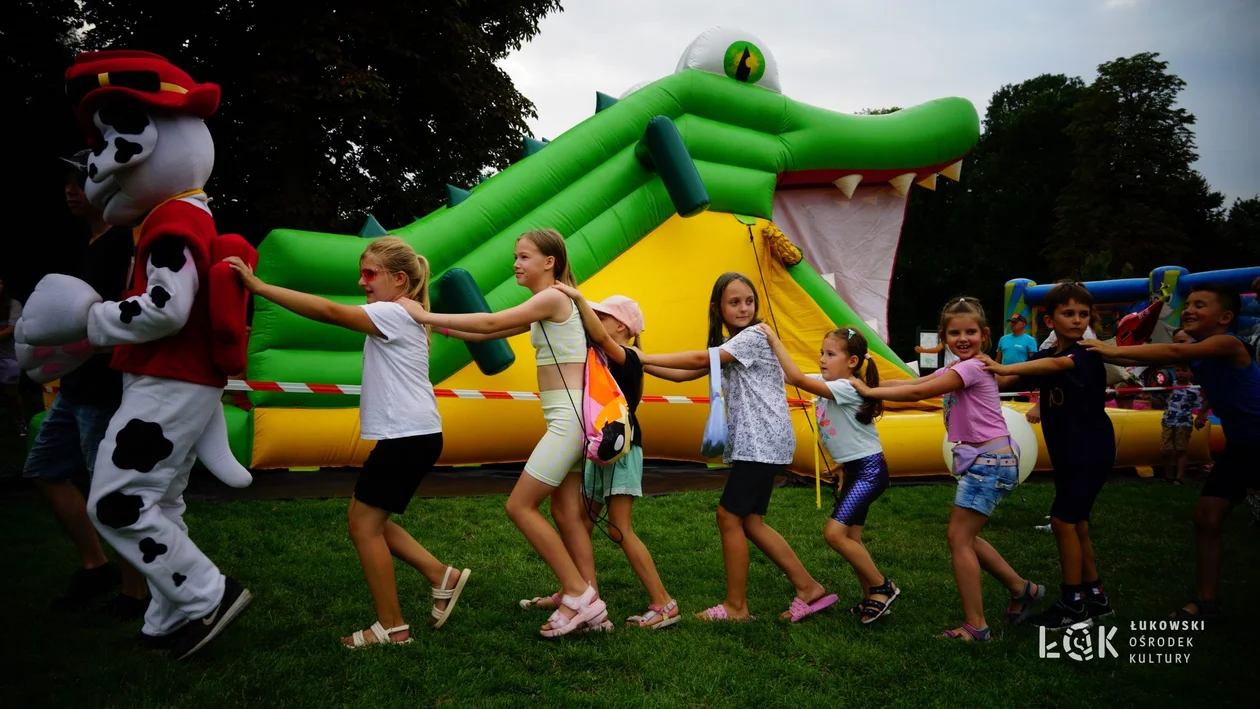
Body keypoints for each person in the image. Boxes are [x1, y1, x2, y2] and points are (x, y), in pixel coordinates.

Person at [227, 236, 470, 646]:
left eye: (369, 273)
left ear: (398, 278)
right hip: (412, 435)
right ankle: (439, 575)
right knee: (365, 519)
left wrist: (260, 288)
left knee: (363, 526)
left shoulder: (392, 313)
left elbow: (327, 310)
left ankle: (392, 627)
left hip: (407, 437)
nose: (361, 281)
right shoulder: (400, 311)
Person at [401, 229, 607, 638]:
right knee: (566, 513)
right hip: (567, 420)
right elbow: (491, 332)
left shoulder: (553, 296)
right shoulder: (550, 301)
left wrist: (424, 315)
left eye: (524, 256)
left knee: (519, 506)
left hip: (568, 421)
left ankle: (579, 595)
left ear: (549, 262)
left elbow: (492, 319)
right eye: (516, 256)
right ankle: (591, 602)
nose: (516, 263)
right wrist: (440, 329)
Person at [634, 272, 838, 623]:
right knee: (751, 522)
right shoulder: (734, 343)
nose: (744, 308)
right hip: (762, 440)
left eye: (749, 301)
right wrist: (642, 362)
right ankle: (808, 587)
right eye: (734, 302)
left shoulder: (754, 336)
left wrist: (642, 356)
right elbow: (687, 375)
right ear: (718, 307)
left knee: (728, 516)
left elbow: (699, 360)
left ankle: (736, 607)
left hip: (762, 440)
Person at [853, 296, 1042, 641]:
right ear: (943, 337)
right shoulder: (958, 368)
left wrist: (867, 391)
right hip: (989, 461)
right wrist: (868, 383)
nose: (963, 338)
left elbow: (920, 392)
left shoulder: (971, 368)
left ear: (984, 334)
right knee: (964, 538)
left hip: (989, 462)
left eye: (970, 331)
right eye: (955, 333)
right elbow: (910, 383)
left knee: (958, 539)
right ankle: (1021, 588)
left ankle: (976, 626)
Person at [1083, 283, 1260, 620]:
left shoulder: (1229, 343)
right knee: (1207, 518)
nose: (1189, 310)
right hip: (1241, 445)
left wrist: (1109, 351)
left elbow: (1174, 354)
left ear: (1225, 317)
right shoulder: (1200, 348)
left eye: (1200, 305)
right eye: (1189, 304)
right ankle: (1208, 602)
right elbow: (1165, 353)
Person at [21, 152, 148, 617]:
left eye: (81, 181)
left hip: (107, 390)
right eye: (68, 182)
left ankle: (135, 593)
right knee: (42, 470)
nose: (71, 190)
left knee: (110, 490)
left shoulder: (125, 245)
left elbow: (132, 313)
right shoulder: (89, 245)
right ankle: (97, 566)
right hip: (74, 386)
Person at [521, 285, 680, 629]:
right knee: (580, 522)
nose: (594, 320)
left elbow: (600, 337)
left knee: (620, 529)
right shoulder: (602, 356)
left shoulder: (626, 355)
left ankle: (664, 602)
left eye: (603, 316)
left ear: (622, 327)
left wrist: (577, 299)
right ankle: (575, 592)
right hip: (599, 446)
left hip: (621, 449)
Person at [983, 282, 1116, 629]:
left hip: (1091, 450)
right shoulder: (1047, 355)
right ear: (1049, 318)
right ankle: (1096, 597)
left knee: (1063, 522)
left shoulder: (1085, 354)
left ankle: (1073, 604)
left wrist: (1000, 369)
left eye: (1083, 314)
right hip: (1069, 452)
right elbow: (1019, 373)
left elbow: (1055, 365)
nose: (1076, 320)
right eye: (1068, 313)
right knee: (1078, 524)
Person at [759, 323, 899, 624]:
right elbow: (788, 375)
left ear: (852, 362)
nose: (822, 359)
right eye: (821, 353)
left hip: (869, 472)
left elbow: (795, 377)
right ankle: (870, 598)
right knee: (853, 538)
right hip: (854, 471)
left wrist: (773, 339)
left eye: (831, 354)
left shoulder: (845, 386)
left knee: (834, 535)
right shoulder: (830, 383)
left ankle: (882, 587)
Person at [1159, 329, 1205, 486]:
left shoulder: (1194, 390)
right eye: (1178, 370)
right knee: (1166, 449)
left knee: (1181, 450)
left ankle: (1179, 477)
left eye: (1184, 370)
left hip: (1183, 422)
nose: (1180, 374)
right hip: (1167, 420)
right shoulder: (1169, 386)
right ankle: (1168, 474)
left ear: (1190, 372)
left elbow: (1202, 404)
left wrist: (1201, 416)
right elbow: (1160, 400)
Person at [0, 277, 24, 436]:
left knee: (11, 394)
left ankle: (20, 422)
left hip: (9, 357)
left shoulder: (13, 305)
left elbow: (11, 329)